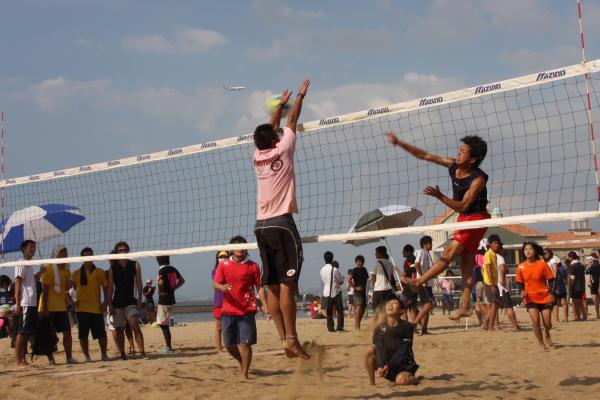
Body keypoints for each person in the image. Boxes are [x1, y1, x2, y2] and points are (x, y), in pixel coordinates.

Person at [386, 132, 489, 319]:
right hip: (464, 218)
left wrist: (440, 196)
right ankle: (465, 306)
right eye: (459, 150)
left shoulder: (478, 179)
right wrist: (400, 143)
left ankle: (418, 282)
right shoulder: (452, 165)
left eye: (463, 151)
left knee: (449, 252)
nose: (458, 153)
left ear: (473, 159)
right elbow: (425, 155)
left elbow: (463, 205)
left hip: (477, 218)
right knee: (466, 262)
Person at [253, 79, 310, 359]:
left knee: (273, 287)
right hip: (281, 223)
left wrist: (277, 107)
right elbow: (292, 119)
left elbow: (271, 127)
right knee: (288, 285)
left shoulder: (257, 156)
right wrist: (300, 96)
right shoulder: (283, 148)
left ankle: (283, 338)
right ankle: (291, 339)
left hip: (261, 226)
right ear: (275, 139)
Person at [212, 235, 267, 379]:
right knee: (229, 345)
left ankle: (244, 374)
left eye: (243, 247)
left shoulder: (253, 266)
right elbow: (215, 283)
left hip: (246, 310)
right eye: (238, 247)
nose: (241, 249)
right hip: (228, 311)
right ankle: (241, 361)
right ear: (232, 249)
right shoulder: (223, 264)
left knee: (245, 344)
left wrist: (265, 305)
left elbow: (259, 287)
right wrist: (222, 287)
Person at [365, 294, 421, 386]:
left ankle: (416, 379)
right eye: (388, 303)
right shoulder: (379, 327)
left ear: (402, 310)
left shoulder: (407, 327)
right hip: (385, 366)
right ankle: (371, 382)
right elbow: (379, 347)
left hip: (403, 365)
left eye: (394, 303)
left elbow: (403, 349)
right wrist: (380, 366)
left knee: (401, 380)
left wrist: (389, 365)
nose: (390, 304)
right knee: (370, 351)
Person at [107, 241, 146, 359]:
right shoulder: (112, 268)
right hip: (118, 301)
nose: (123, 252)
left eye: (125, 250)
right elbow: (110, 288)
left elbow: (139, 282)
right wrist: (110, 304)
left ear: (128, 251)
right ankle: (123, 353)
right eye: (120, 250)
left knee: (134, 324)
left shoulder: (135, 264)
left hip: (131, 300)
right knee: (119, 329)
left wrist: (140, 298)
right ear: (117, 252)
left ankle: (142, 352)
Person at [39, 245, 76, 365]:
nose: (63, 255)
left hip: (60, 306)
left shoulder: (67, 270)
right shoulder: (49, 268)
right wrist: (45, 308)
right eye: (61, 252)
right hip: (47, 306)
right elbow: (45, 290)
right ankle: (51, 359)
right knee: (48, 334)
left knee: (67, 332)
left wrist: (70, 284)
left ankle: (69, 358)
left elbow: (65, 289)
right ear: (55, 254)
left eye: (65, 252)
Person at [71, 247, 109, 362]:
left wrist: (105, 302)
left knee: (101, 334)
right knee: (83, 335)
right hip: (81, 309)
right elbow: (66, 289)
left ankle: (104, 355)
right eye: (86, 256)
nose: (89, 258)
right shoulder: (76, 273)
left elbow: (106, 288)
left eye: (91, 255)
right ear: (82, 258)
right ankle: (87, 357)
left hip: (96, 308)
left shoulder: (100, 272)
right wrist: (71, 302)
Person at [515, 241, 555, 351]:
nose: (528, 251)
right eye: (525, 249)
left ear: (535, 251)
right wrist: (521, 290)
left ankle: (547, 333)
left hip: (544, 296)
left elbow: (551, 279)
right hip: (530, 298)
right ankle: (541, 344)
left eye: (530, 249)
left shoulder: (542, 264)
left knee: (548, 324)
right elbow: (519, 281)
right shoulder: (521, 267)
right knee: (536, 321)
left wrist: (551, 293)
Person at [13, 240, 39, 368]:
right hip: (25, 303)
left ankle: (23, 359)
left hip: (32, 303)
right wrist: (18, 304)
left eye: (34, 247)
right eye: (30, 247)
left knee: (27, 332)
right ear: (24, 249)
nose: (33, 249)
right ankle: (18, 361)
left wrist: (40, 273)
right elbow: (17, 284)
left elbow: (31, 282)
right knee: (21, 332)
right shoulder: (21, 263)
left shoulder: (30, 264)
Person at [156, 255, 185, 354]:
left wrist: (161, 291)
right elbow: (182, 281)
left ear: (158, 261)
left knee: (162, 324)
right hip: (172, 299)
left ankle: (168, 348)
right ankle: (169, 347)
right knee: (164, 323)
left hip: (164, 300)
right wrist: (173, 288)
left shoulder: (162, 270)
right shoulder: (173, 269)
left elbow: (160, 283)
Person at [414, 236, 435, 334]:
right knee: (427, 304)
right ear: (425, 244)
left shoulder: (427, 253)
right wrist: (423, 277)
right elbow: (417, 264)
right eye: (430, 243)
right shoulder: (421, 252)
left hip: (428, 283)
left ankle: (424, 329)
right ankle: (414, 324)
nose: (431, 245)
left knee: (428, 305)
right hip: (423, 283)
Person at [496, 244, 520, 331]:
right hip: (501, 286)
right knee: (509, 307)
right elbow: (503, 269)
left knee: (494, 307)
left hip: (494, 285)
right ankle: (515, 326)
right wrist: (502, 281)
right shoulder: (500, 258)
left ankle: (496, 325)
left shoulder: (490, 256)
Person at [320, 253, 344, 332]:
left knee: (329, 312)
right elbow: (340, 281)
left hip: (326, 293)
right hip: (335, 292)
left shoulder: (322, 270)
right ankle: (339, 328)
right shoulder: (334, 269)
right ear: (332, 259)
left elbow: (324, 281)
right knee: (339, 311)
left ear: (324, 259)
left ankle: (330, 328)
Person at [482, 235, 501, 331]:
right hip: (490, 283)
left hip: (493, 282)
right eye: (495, 243)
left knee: (494, 304)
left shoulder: (493, 254)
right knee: (494, 304)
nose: (497, 245)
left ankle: (487, 324)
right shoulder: (488, 254)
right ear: (490, 244)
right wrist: (492, 285)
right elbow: (488, 270)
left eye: (498, 243)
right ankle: (489, 325)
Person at [370, 246, 397, 311]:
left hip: (379, 289)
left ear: (381, 254)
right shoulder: (390, 263)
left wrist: (373, 288)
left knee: (377, 309)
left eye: (376, 252)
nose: (375, 254)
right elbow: (392, 276)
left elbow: (373, 277)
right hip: (388, 289)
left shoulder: (377, 263)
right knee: (387, 309)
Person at [212, 250, 229, 351]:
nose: (223, 259)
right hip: (219, 301)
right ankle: (219, 348)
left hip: (230, 301)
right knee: (218, 327)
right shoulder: (215, 270)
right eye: (221, 257)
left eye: (225, 257)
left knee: (230, 326)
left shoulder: (232, 269)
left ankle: (231, 346)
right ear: (217, 259)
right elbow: (218, 283)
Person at [350, 255, 369, 330]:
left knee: (363, 309)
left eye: (361, 261)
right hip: (357, 292)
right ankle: (357, 327)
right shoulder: (355, 270)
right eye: (358, 261)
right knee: (358, 308)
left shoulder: (364, 269)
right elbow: (349, 280)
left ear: (363, 262)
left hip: (364, 291)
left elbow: (367, 279)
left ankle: (357, 325)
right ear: (356, 262)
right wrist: (354, 287)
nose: (359, 263)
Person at [568, 251, 586, 321]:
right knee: (580, 302)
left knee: (575, 302)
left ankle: (577, 316)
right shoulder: (581, 265)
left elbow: (572, 278)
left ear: (571, 257)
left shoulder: (573, 266)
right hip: (581, 285)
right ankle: (584, 316)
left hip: (575, 286)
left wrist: (570, 287)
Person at [552, 258, 569, 322]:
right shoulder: (564, 269)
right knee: (564, 303)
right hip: (562, 286)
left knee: (556, 304)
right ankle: (566, 318)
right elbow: (566, 279)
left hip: (556, 286)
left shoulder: (554, 269)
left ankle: (557, 319)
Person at [585, 253, 600, 319]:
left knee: (595, 300)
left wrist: (589, 265)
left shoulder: (592, 267)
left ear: (592, 260)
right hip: (595, 284)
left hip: (595, 284)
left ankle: (598, 315)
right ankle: (598, 315)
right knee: (596, 300)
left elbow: (586, 272)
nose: (588, 261)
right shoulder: (595, 266)